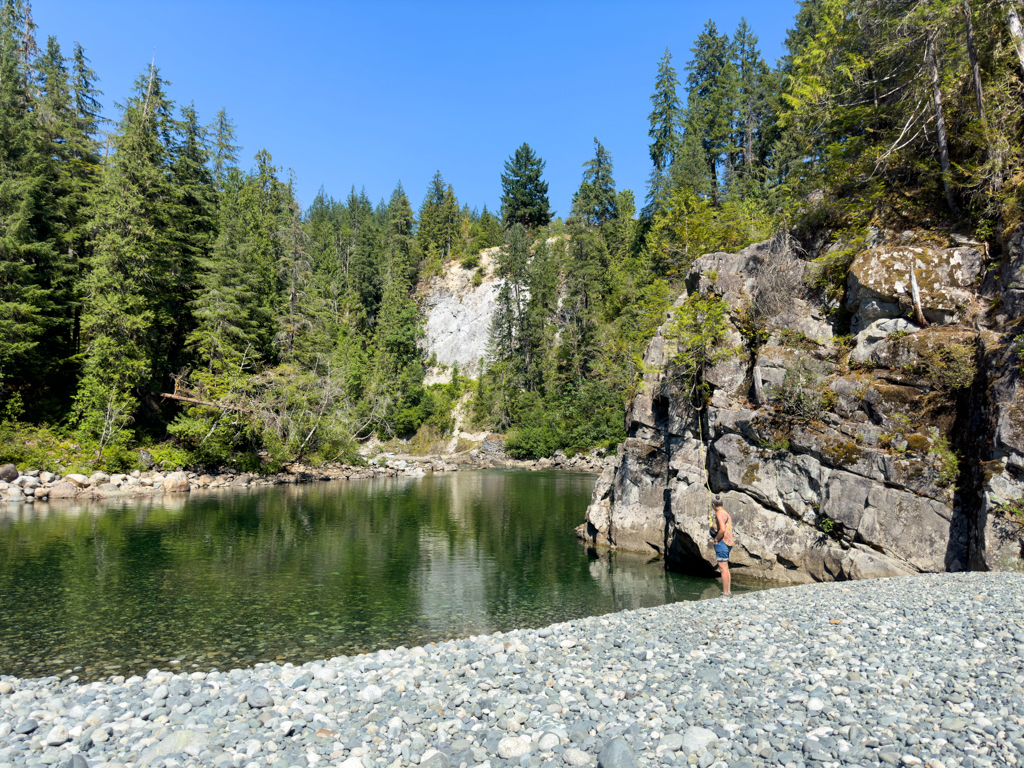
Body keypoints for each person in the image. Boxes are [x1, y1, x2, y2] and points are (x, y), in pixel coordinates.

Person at [711, 498, 734, 597]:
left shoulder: (719, 513)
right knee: (726, 568)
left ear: (713, 505)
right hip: (728, 542)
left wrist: (716, 539)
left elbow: (722, 529)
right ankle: (728, 592)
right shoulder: (726, 513)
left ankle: (725, 593)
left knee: (723, 568)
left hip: (722, 542)